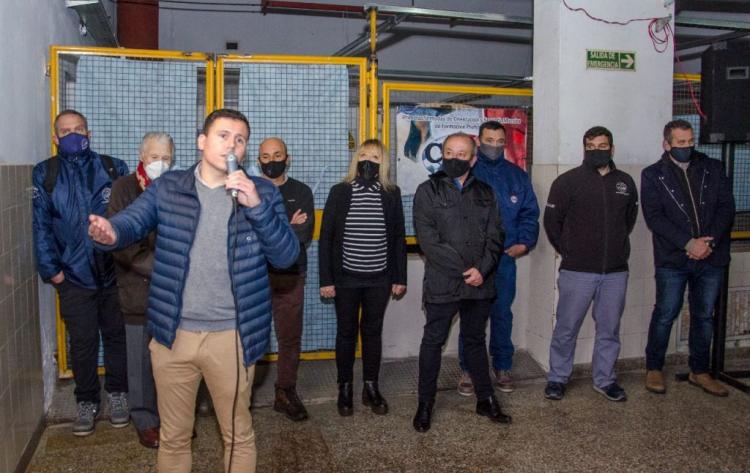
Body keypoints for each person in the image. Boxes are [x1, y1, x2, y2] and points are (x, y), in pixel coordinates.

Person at [87, 109, 299, 473]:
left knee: (237, 435)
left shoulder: (260, 191)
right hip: (173, 335)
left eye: (240, 139)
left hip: (232, 336)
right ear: (201, 141)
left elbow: (286, 256)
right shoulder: (170, 186)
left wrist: (258, 208)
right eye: (223, 135)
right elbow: (133, 220)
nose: (232, 143)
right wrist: (111, 231)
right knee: (173, 436)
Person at [32, 109, 130, 436]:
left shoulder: (113, 168)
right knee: (83, 342)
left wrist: (125, 261)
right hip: (72, 277)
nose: (74, 134)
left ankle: (118, 393)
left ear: (89, 132)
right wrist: (53, 272)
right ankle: (86, 401)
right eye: (66, 130)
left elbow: (129, 220)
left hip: (113, 272)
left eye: (79, 129)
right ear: (55, 137)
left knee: (117, 337)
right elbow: (41, 227)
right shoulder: (46, 173)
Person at [412, 132, 510, 433]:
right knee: (433, 343)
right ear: (442, 154)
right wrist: (466, 268)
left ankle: (486, 399)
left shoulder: (486, 192)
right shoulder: (427, 190)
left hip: (479, 285)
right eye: (450, 152)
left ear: (473, 158)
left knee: (475, 342)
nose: (455, 158)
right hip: (443, 283)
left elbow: (496, 236)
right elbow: (428, 240)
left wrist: (482, 269)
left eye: (462, 153)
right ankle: (425, 404)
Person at [543, 126, 638, 403]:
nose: (597, 150)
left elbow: (629, 219)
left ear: (612, 148)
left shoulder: (625, 182)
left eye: (602, 145)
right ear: (584, 148)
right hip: (577, 271)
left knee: (609, 330)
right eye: (591, 146)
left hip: (616, 272)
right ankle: (557, 378)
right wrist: (571, 251)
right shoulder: (567, 182)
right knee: (566, 328)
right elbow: (552, 223)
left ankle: (605, 380)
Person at [641, 119, 735, 397]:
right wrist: (688, 243)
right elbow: (655, 217)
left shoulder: (712, 168)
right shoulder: (653, 175)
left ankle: (700, 371)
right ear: (666, 144)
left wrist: (709, 242)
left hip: (710, 257)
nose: (687, 147)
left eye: (690, 141)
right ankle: (654, 368)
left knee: (704, 315)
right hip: (673, 258)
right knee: (665, 313)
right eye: (680, 143)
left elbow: (725, 208)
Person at [319, 139, 407, 417]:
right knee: (346, 333)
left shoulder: (391, 193)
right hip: (345, 278)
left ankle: (371, 387)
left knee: (372, 333)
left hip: (379, 278)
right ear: (356, 159)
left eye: (376, 156)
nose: (369, 160)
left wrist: (399, 276)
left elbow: (397, 238)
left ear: (384, 163)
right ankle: (344, 387)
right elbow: (326, 238)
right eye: (364, 155)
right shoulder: (340, 191)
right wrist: (326, 280)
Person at [457, 120, 539, 395]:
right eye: (489, 141)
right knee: (471, 316)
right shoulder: (466, 173)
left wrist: (524, 243)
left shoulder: (517, 176)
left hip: (504, 259)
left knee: (502, 313)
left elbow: (529, 213)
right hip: (473, 261)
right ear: (478, 142)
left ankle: (502, 365)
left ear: (506, 143)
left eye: (499, 141)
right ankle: (468, 369)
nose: (494, 146)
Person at [108, 132, 174, 448]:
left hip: (171, 294)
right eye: (155, 157)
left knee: (172, 361)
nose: (161, 163)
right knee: (140, 362)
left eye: (167, 158)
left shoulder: (175, 187)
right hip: (137, 288)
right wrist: (167, 268)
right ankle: (146, 420)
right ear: (141, 155)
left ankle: (173, 419)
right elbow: (122, 244)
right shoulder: (124, 188)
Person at [257, 137, 315, 421]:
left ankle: (285, 391)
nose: (271, 161)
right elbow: (245, 240)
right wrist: (286, 227)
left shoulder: (301, 191)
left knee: (289, 337)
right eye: (265, 157)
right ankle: (242, 393)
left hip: (291, 276)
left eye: (277, 155)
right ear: (258, 161)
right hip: (254, 275)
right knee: (250, 336)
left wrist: (267, 232)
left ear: (287, 158)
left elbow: (302, 237)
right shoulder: (248, 191)